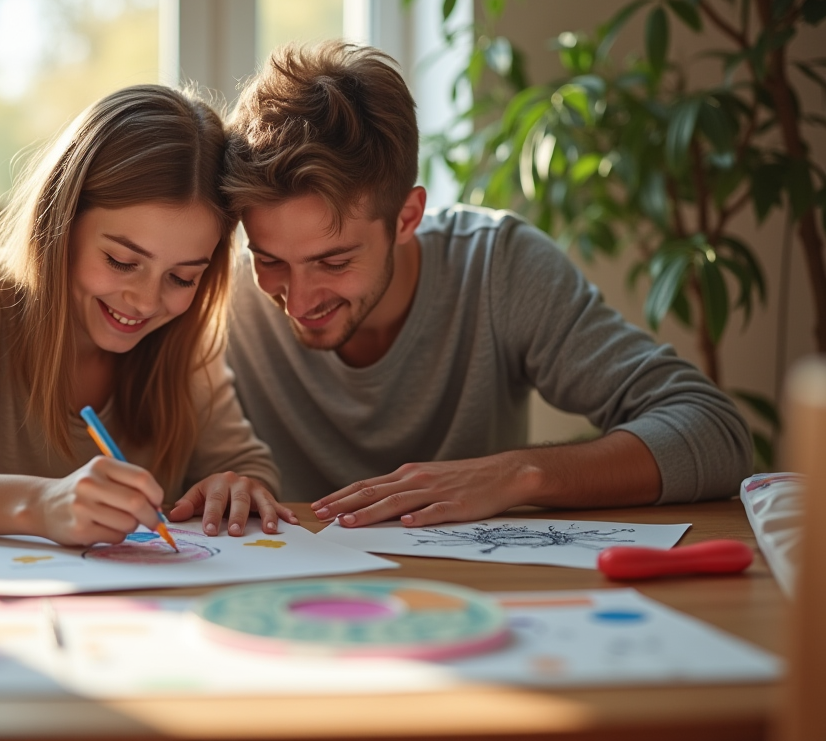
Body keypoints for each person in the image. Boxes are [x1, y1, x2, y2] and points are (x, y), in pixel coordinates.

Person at [215, 41, 752, 529]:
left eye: (333, 262)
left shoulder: (498, 268)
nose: (300, 300)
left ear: (406, 218)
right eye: (271, 260)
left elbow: (713, 432)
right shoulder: (223, 298)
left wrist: (519, 474)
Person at [0, 85, 295, 545]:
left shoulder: (183, 338)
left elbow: (250, 470)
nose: (147, 302)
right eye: (121, 261)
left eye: (182, 278)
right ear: (59, 223)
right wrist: (40, 504)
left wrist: (236, 487)